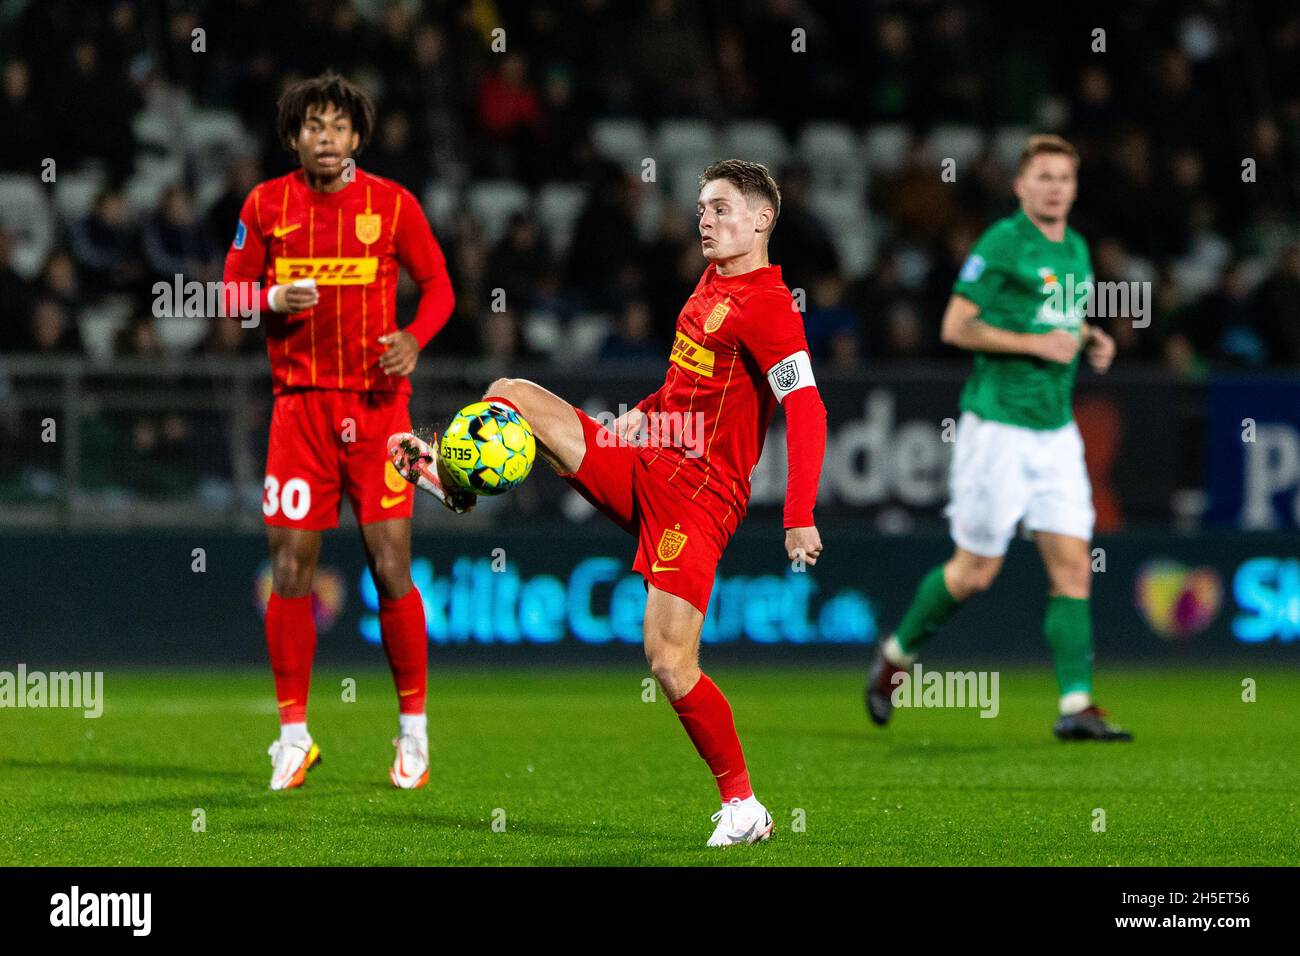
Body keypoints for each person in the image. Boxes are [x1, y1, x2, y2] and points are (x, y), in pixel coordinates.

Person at [392, 160, 828, 845]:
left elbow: (806, 407)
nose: (704, 219)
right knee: (509, 392)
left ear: (762, 219)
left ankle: (743, 806)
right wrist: (646, 413)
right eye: (702, 209)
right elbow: (691, 382)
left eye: (719, 209)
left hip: (700, 498)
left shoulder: (770, 308)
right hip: (648, 461)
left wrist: (798, 511)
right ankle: (455, 482)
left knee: (667, 660)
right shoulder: (713, 280)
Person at [222, 72, 455, 790]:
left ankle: (412, 731)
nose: (327, 139)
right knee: (290, 570)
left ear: (358, 136)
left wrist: (415, 338)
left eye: (338, 127)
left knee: (390, 568)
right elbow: (229, 295)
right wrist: (269, 297)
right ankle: (293, 736)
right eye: (313, 127)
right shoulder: (265, 205)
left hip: (380, 412)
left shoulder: (392, 205)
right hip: (299, 412)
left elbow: (441, 285)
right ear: (294, 138)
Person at [865, 135, 1131, 742]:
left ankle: (1075, 705)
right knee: (975, 573)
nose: (1054, 187)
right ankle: (896, 657)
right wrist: (1035, 345)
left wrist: (1090, 337)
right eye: (1043, 176)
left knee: (1072, 570)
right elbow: (956, 325)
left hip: (1056, 433)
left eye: (1064, 177)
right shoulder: (1003, 242)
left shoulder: (1077, 250)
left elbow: (1060, 314)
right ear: (1021, 186)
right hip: (997, 431)